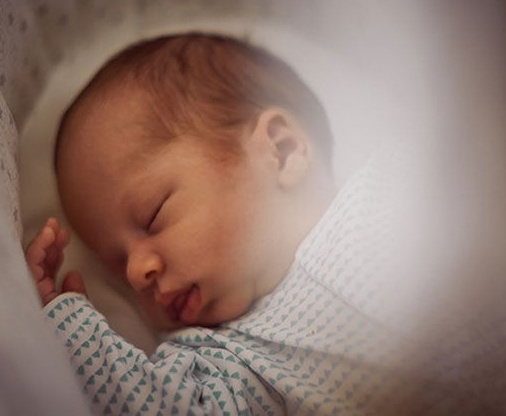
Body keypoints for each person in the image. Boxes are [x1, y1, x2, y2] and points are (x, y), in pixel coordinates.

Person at [25, 32, 419, 415]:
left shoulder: (397, 181)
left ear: (281, 152)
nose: (136, 271)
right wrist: (70, 331)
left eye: (152, 215)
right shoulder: (231, 358)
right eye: (117, 265)